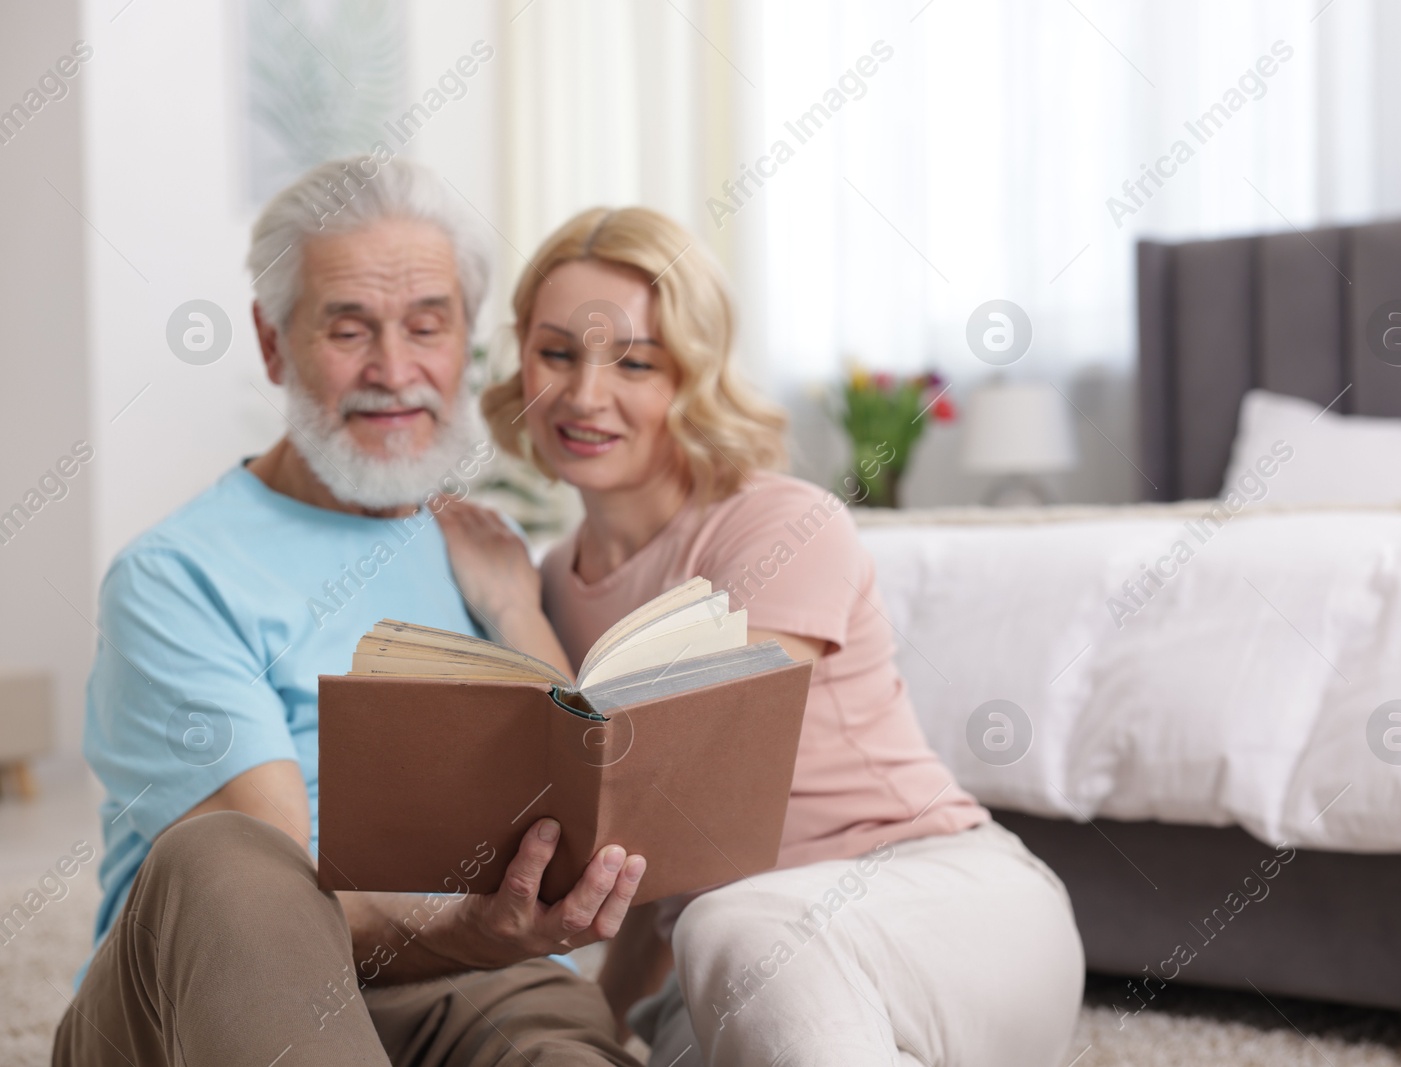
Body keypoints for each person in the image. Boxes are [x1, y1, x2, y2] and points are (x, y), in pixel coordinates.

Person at [441, 205, 1086, 1067]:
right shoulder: (559, 576)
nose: (585, 395)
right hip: (741, 956)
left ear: (695, 374)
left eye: (635, 361)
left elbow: (652, 775)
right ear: (523, 356)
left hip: (947, 904)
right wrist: (594, 1019)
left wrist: (513, 613)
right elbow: (641, 870)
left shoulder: (781, 522)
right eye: (557, 352)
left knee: (735, 927)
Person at [55, 157, 648, 1067]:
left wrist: (514, 608)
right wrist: (477, 926)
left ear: (465, 342)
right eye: (348, 328)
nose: (395, 369)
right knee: (228, 857)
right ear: (270, 342)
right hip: (221, 1004)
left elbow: (580, 820)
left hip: (480, 987)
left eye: (428, 324)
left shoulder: (489, 554)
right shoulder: (176, 576)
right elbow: (278, 901)